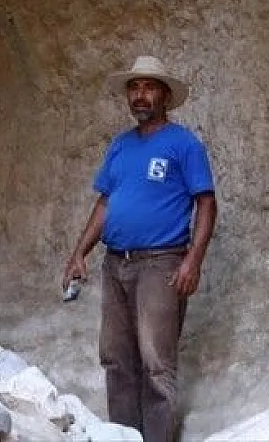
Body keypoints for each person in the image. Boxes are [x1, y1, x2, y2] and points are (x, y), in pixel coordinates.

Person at [64, 56, 217, 442]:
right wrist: (80, 252)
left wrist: (193, 261)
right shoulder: (120, 146)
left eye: (149, 87)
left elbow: (206, 203)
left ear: (165, 95)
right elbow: (105, 203)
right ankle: (123, 437)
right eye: (134, 88)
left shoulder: (183, 144)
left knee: (156, 365)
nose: (140, 95)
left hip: (161, 264)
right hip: (116, 263)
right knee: (116, 359)